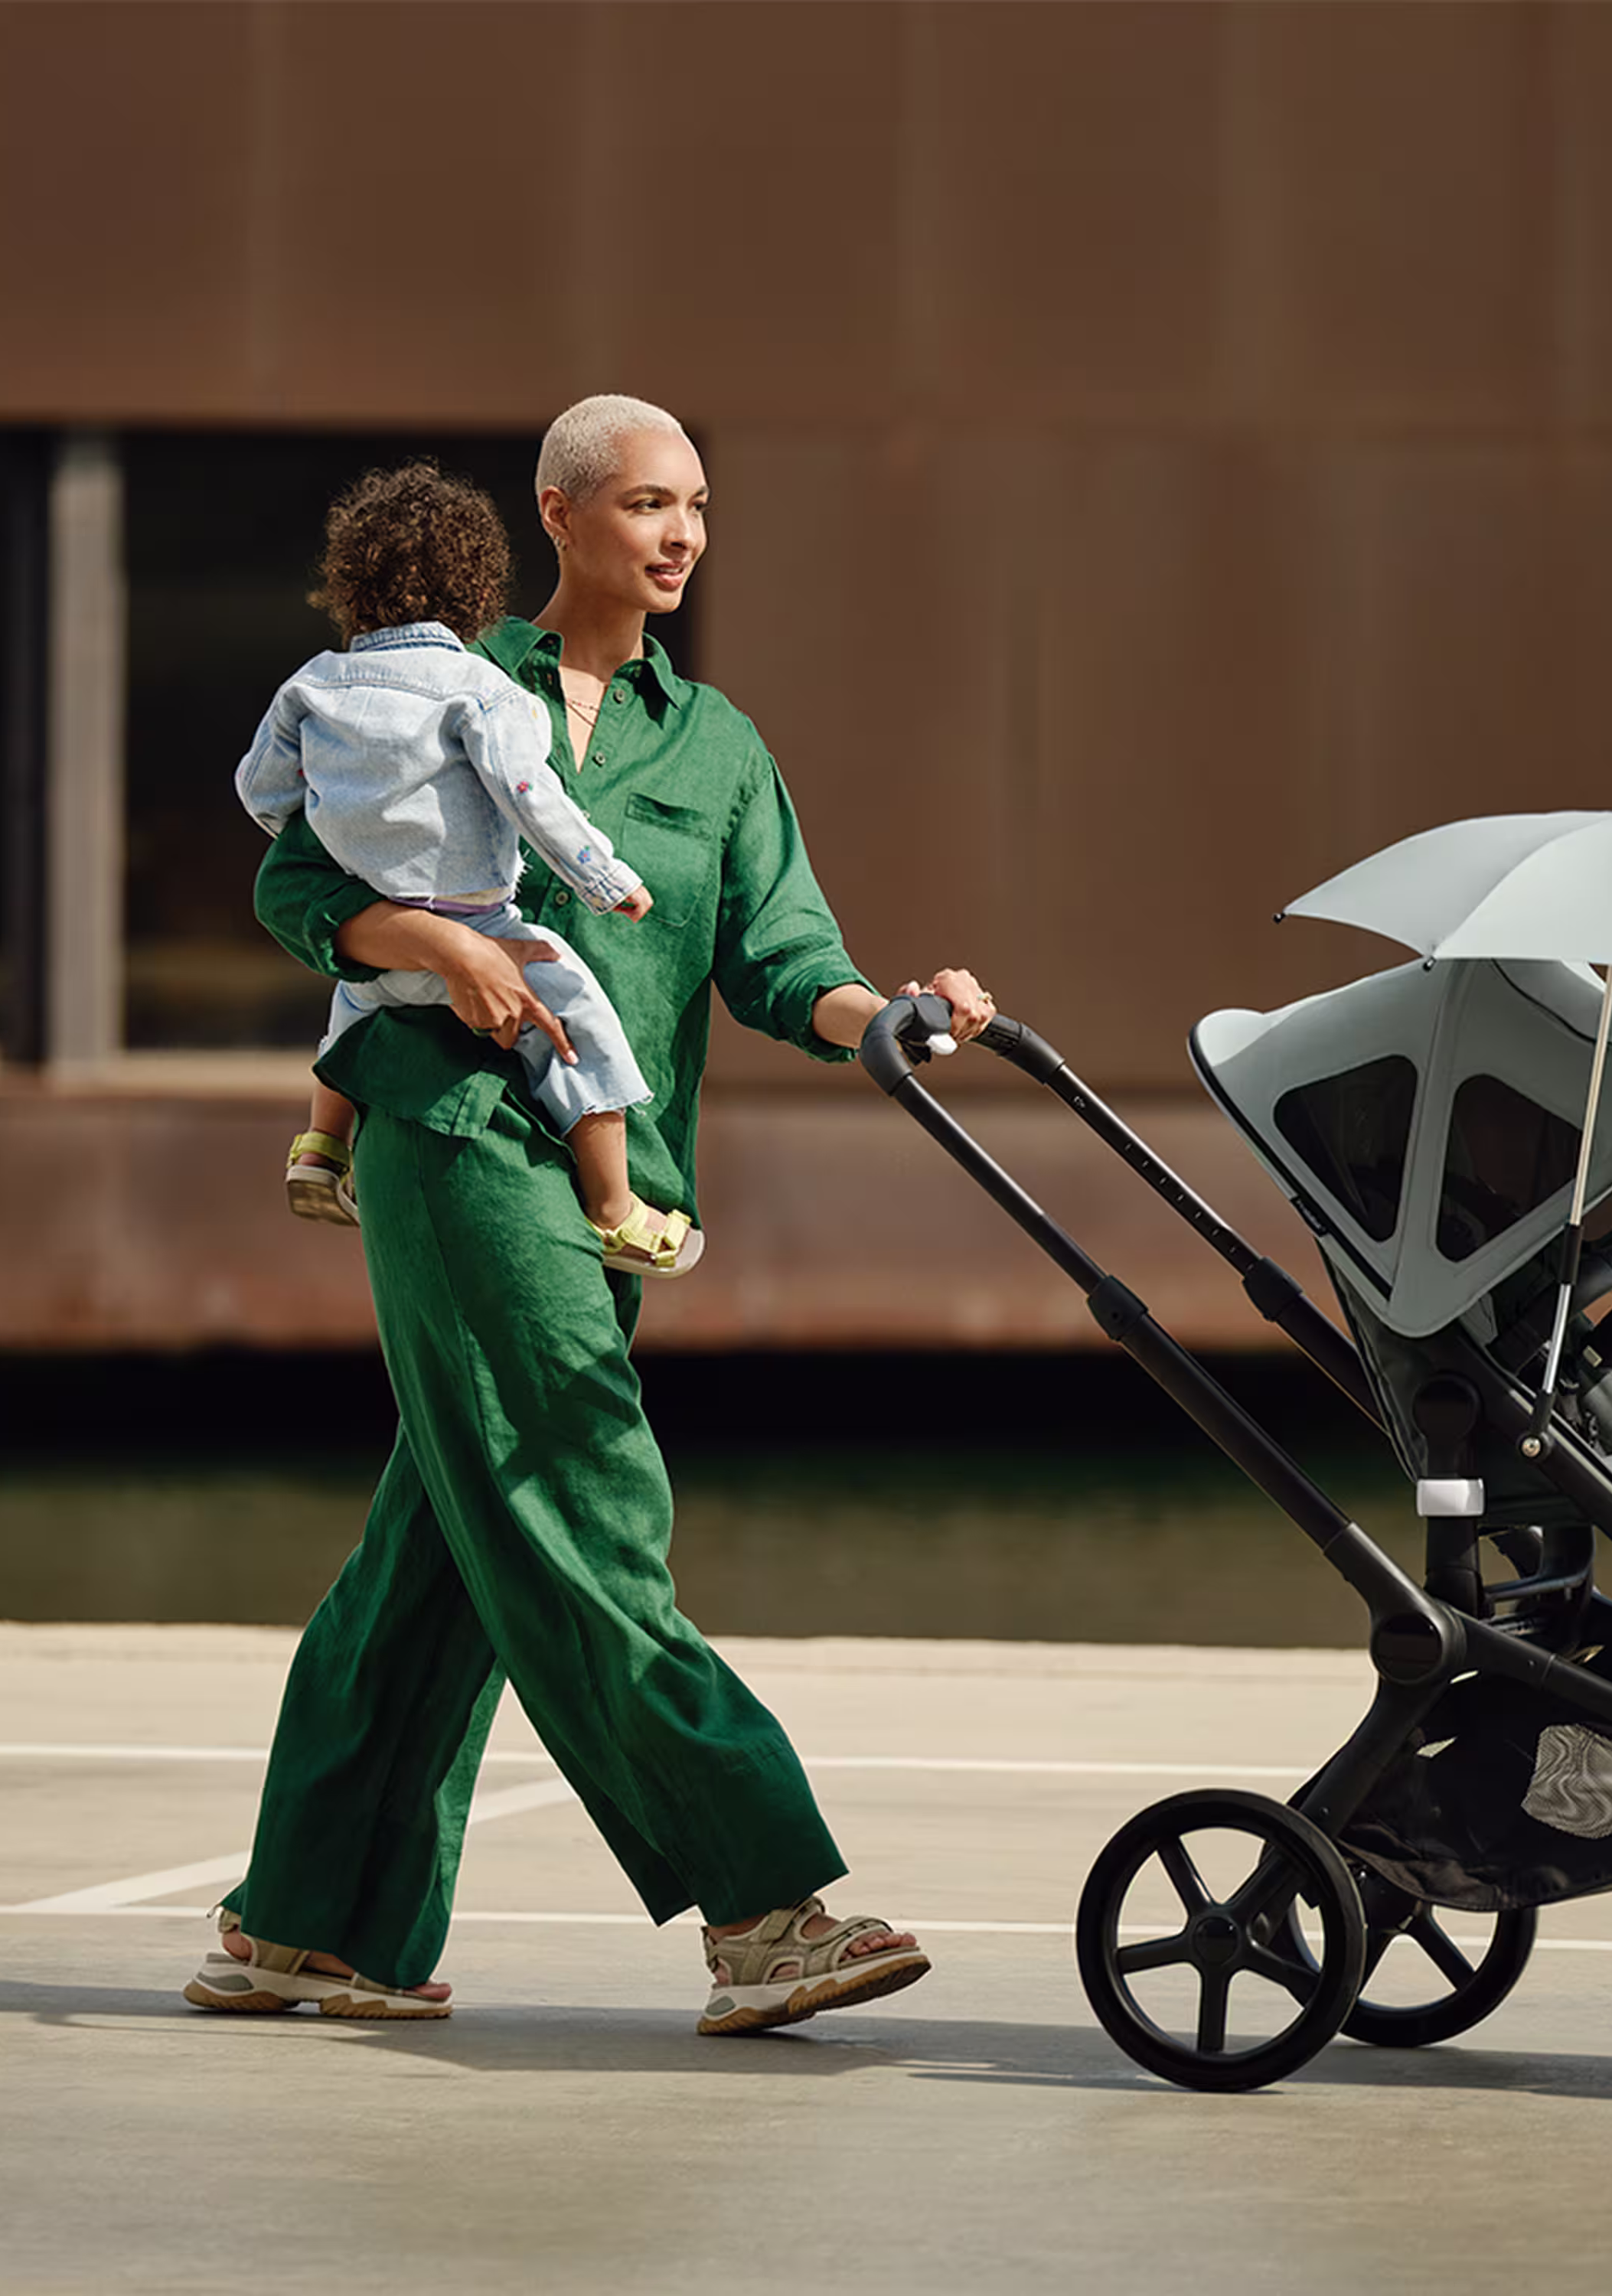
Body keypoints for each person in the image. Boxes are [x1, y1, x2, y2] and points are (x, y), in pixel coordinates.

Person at [183, 393, 993, 2033]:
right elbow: (296, 882)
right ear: (559, 515)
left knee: (444, 1547)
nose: (681, 533)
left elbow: (785, 958)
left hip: (617, 1188)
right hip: (452, 1131)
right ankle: (764, 1908)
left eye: (697, 505)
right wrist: (441, 945)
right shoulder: (430, 677)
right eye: (645, 503)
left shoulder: (720, 747)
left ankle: (304, 1923)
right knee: (575, 1477)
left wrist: (893, 1019)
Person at [238, 460, 698, 1277]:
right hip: (475, 920)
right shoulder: (479, 690)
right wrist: (604, 878)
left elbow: (259, 789)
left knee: (351, 1009)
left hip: (379, 939)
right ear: (476, 587)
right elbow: (531, 796)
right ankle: (615, 1209)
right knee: (579, 1024)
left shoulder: (313, 685)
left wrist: (332, 830)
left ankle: (319, 1147)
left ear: (351, 583)